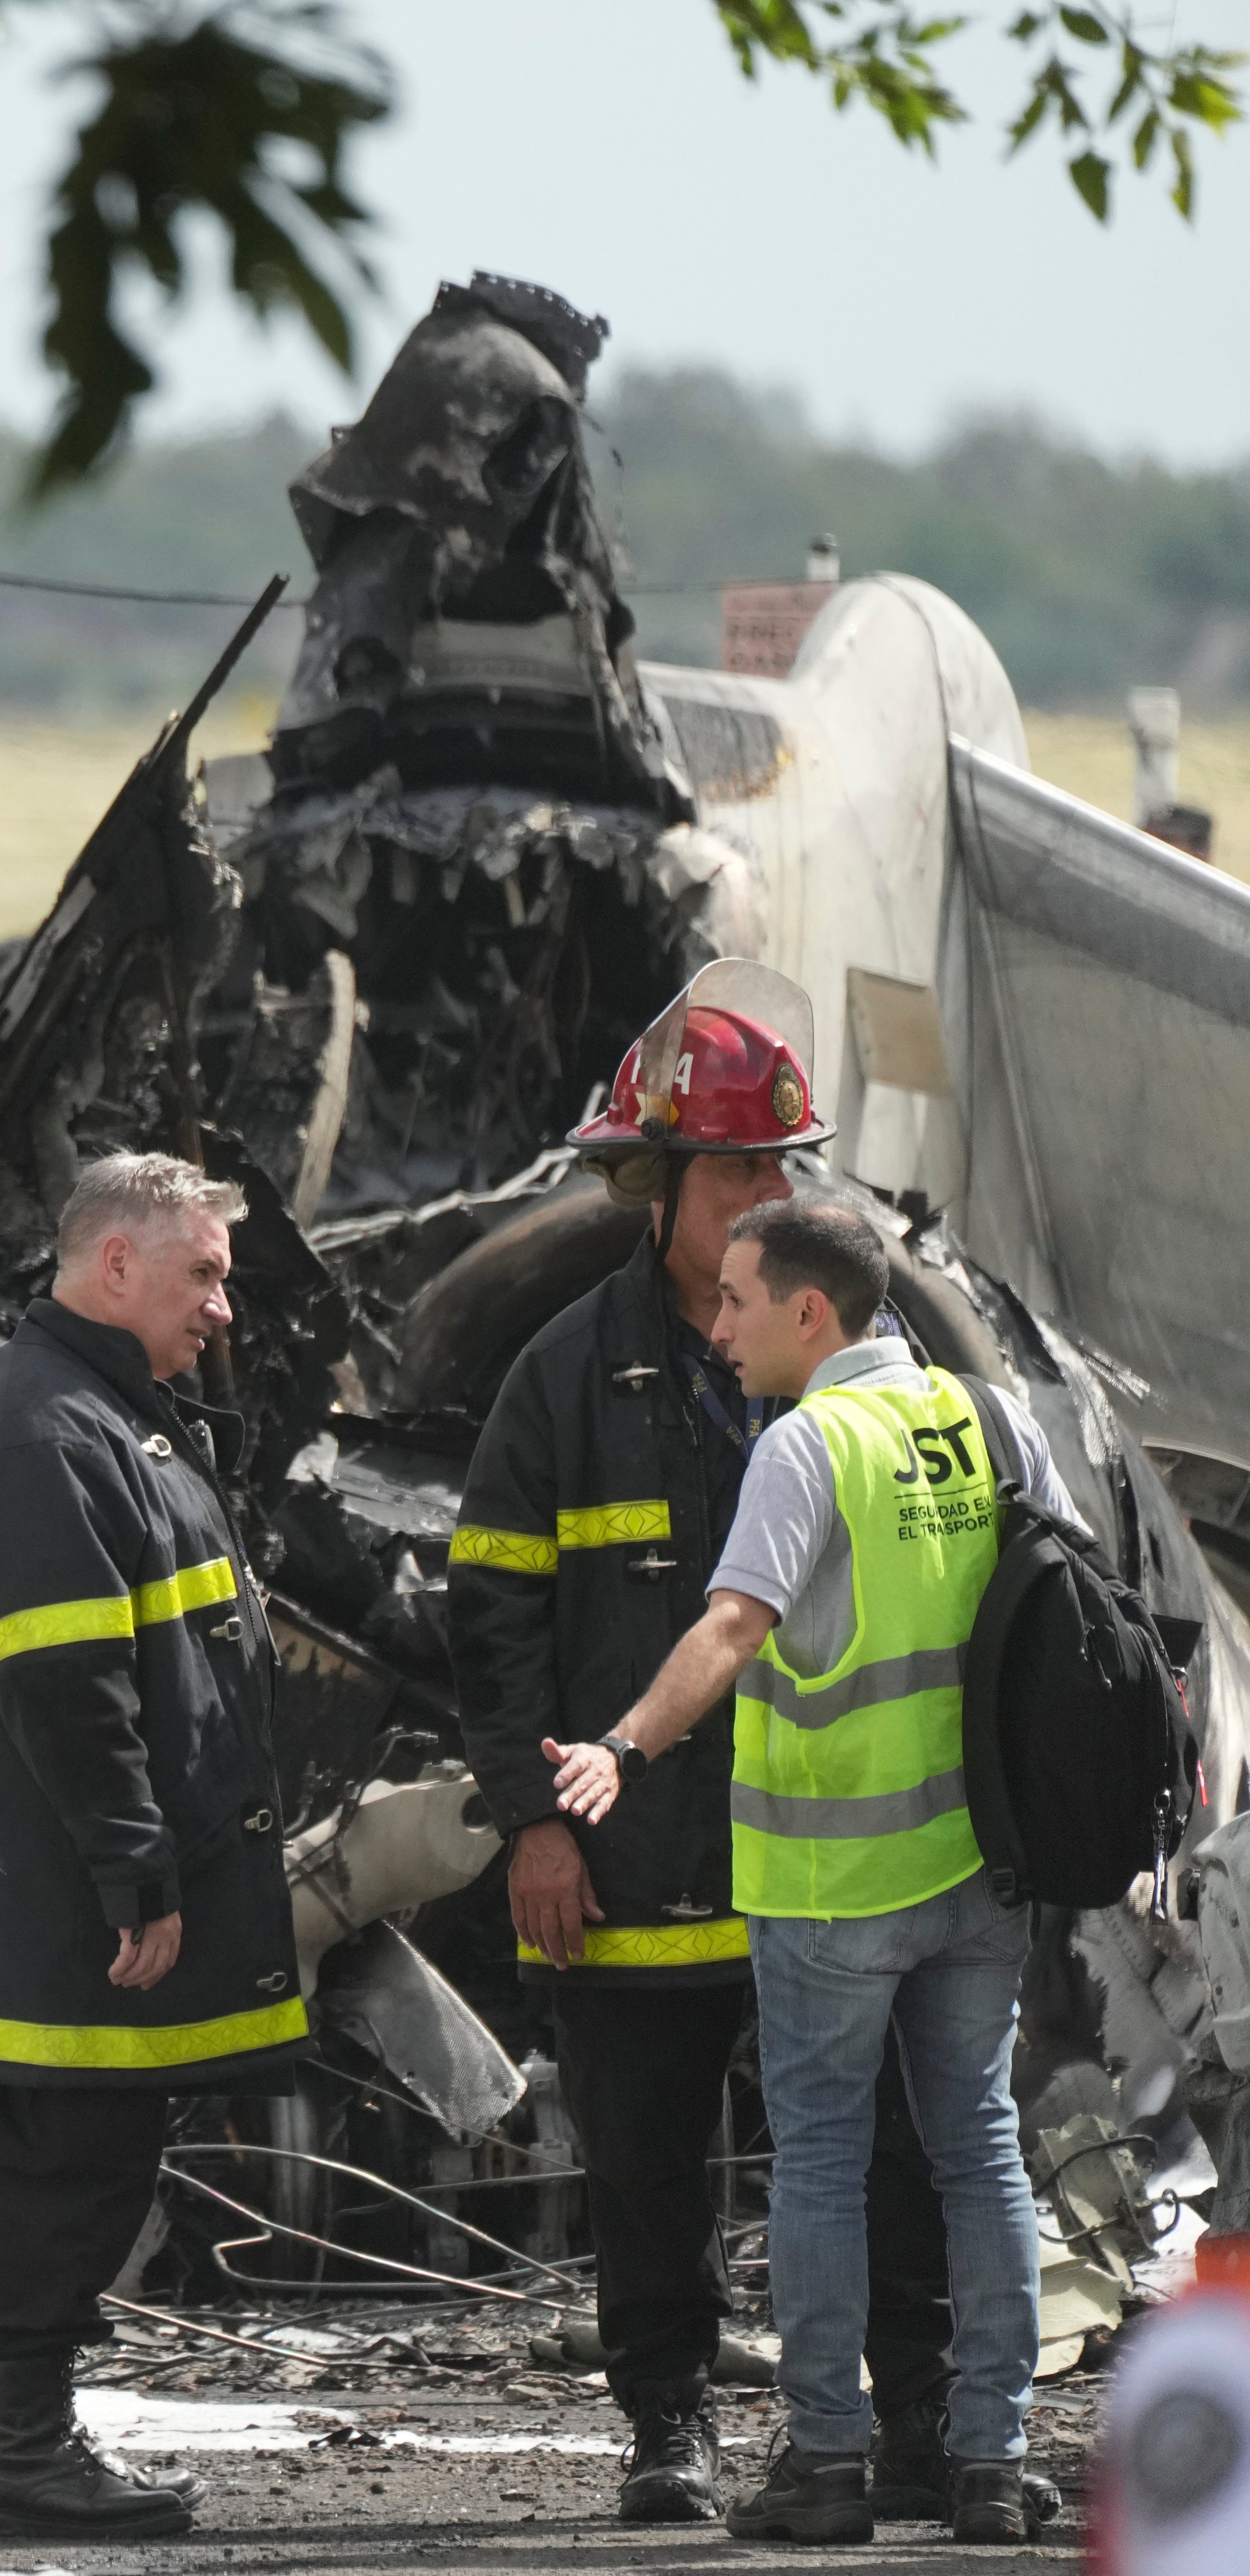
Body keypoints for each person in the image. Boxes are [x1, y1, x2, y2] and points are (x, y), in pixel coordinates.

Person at [447, 964, 977, 2526]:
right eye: (743, 1164)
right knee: (648, 2162)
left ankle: (922, 2416)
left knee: (888, 2155)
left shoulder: (857, 1370)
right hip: (638, 1853)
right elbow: (493, 1627)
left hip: (839, 1853)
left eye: (780, 1162)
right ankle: (668, 2424)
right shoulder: (558, 1382)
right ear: (659, 1183)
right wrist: (533, 1825)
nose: (772, 1189)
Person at [544, 1196, 1057, 2547]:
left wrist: (625, 1746)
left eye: (737, 1301)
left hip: (838, 1877)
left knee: (822, 2164)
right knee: (982, 2151)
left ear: (811, 1314)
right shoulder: (989, 1421)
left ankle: (827, 2463)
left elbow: (730, 1626)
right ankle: (990, 2460)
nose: (716, 1326)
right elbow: (1072, 1606)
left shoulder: (806, 1445)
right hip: (983, 1870)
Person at [0, 1152, 307, 2542]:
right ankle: (26, 2456)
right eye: (205, 1273)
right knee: (67, 2155)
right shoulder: (53, 1429)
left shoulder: (84, 1406)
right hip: (66, 1897)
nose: (224, 1307)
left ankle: (31, 2443)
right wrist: (134, 1868)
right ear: (116, 1267)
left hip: (55, 1883)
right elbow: (64, 1680)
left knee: (75, 2151)